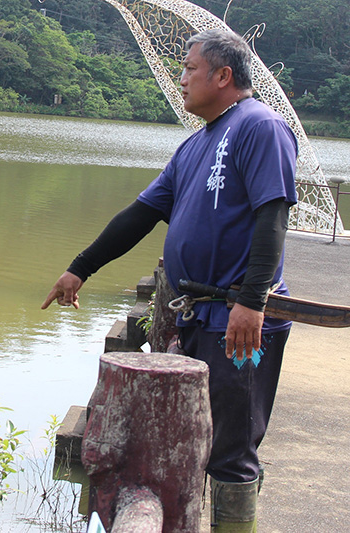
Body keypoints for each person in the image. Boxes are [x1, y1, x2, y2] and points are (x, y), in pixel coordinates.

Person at [42, 28, 298, 531]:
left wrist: (251, 301)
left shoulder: (260, 127)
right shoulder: (194, 146)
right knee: (190, 440)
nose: (180, 80)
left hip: (237, 321)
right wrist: (80, 267)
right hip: (197, 317)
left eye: (188, 69)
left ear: (223, 76)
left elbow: (273, 218)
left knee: (231, 449)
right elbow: (139, 216)